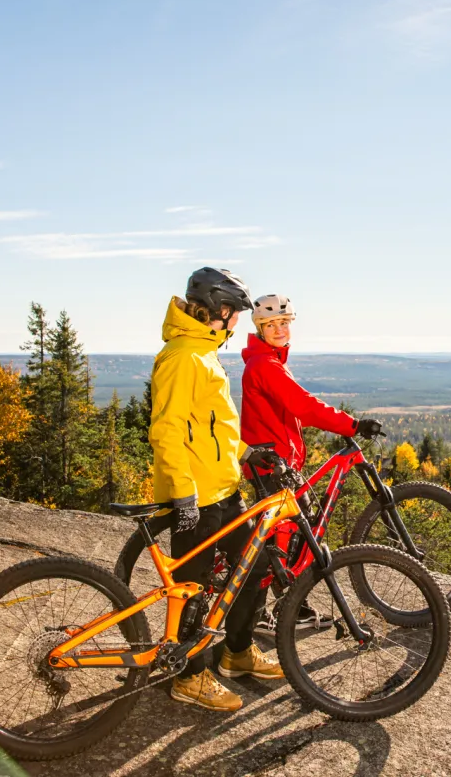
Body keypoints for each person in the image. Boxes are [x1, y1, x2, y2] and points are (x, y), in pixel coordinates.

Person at [149, 267, 284, 713]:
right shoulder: (184, 356)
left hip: (223, 489)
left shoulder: (203, 352)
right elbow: (167, 431)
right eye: (236, 315)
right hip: (198, 498)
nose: (238, 324)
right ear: (221, 311)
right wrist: (183, 496)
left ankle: (238, 653)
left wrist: (246, 453)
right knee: (194, 589)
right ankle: (188, 678)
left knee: (256, 563)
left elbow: (211, 429)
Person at [239, 293, 384, 633]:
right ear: (260, 328)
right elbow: (303, 405)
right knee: (285, 536)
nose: (279, 329)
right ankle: (263, 612)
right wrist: (352, 425)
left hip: (279, 463)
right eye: (271, 324)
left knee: (300, 531)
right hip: (270, 466)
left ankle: (291, 603)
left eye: (284, 323)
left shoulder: (269, 360)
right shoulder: (265, 365)